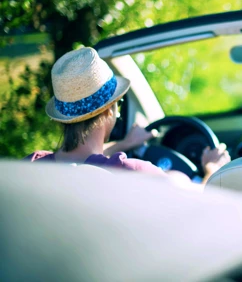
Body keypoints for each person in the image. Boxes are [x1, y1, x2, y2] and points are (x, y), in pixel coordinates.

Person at [25, 47, 230, 185]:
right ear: (108, 110)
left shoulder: (30, 168)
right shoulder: (132, 174)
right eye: (118, 104)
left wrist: (124, 143)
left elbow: (78, 155)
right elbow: (202, 200)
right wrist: (213, 169)